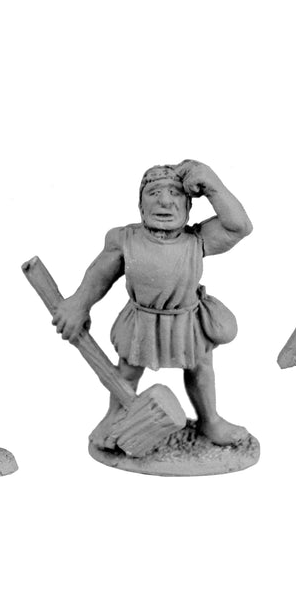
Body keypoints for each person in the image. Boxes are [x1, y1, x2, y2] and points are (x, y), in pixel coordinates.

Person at [53, 160, 252, 447]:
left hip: (187, 319)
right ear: (140, 204)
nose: (165, 202)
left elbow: (239, 227)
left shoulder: (197, 240)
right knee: (128, 370)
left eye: (175, 194)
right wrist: (79, 304)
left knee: (201, 369)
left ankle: (210, 421)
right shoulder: (125, 239)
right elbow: (99, 275)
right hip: (142, 320)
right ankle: (114, 417)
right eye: (154, 193)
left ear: (188, 205)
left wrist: (211, 184)